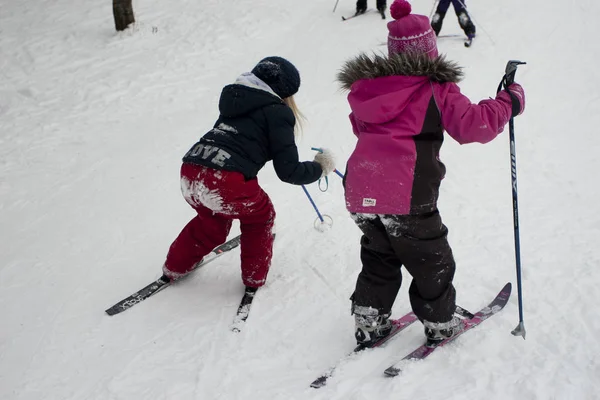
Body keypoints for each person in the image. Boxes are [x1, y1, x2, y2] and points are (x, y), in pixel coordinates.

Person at [336, 0, 525, 347]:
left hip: (360, 185)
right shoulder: (434, 89)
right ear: (429, 50)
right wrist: (508, 102)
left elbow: (359, 128)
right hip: (405, 189)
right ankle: (440, 322)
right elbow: (474, 126)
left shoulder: (366, 89)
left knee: (380, 252)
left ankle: (369, 316)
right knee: (429, 256)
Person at [162, 56, 336, 297]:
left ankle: (174, 267)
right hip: (226, 179)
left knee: (210, 219)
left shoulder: (234, 101)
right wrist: (321, 167)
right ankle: (254, 277)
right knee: (259, 217)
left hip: (191, 169)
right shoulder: (278, 113)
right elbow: (289, 171)